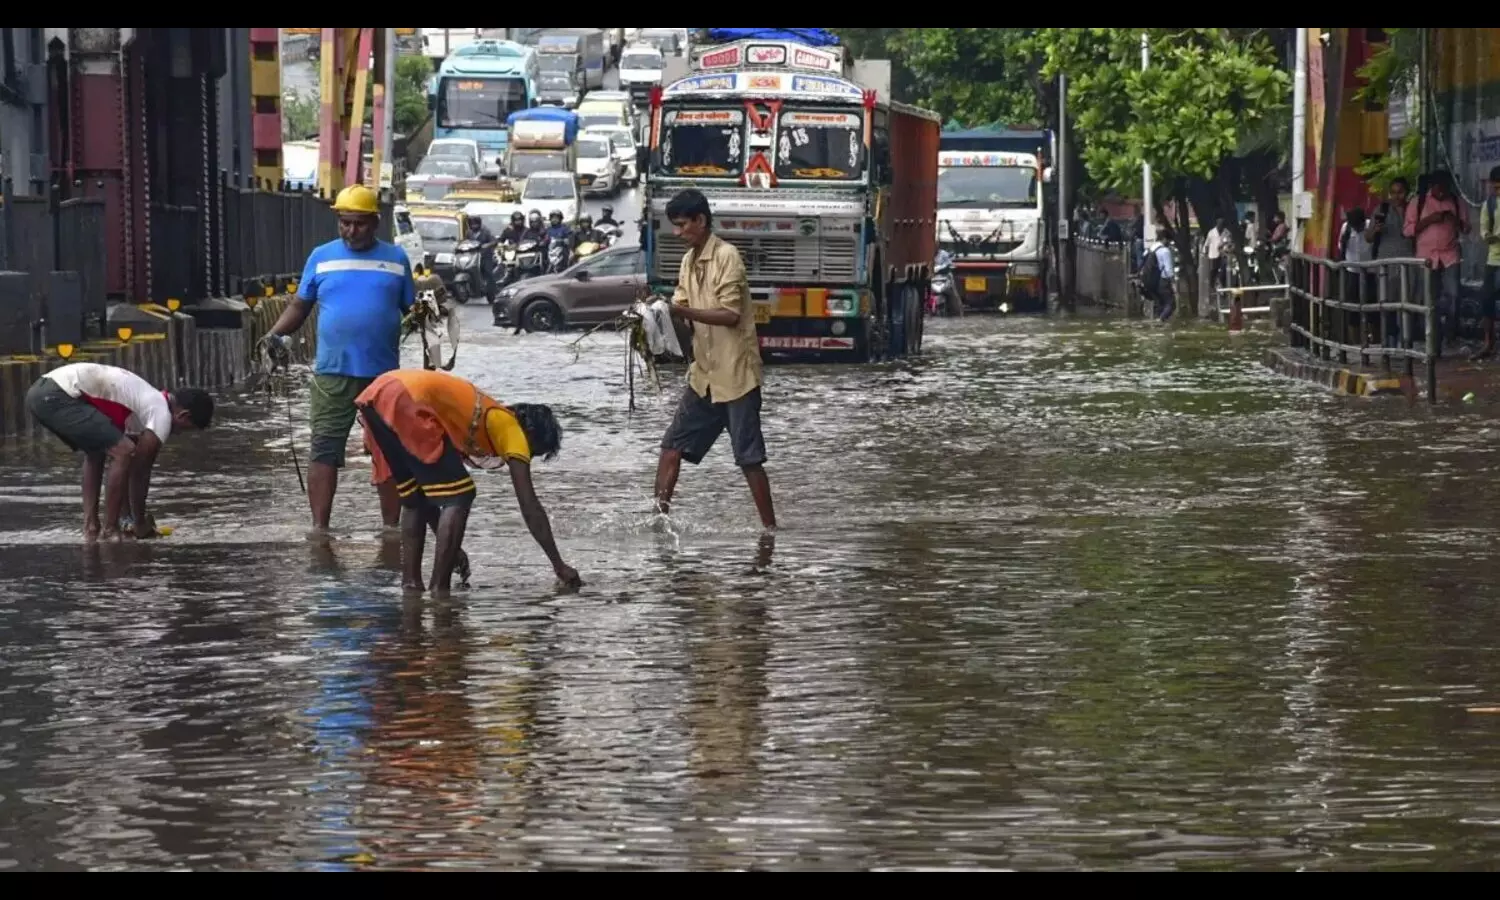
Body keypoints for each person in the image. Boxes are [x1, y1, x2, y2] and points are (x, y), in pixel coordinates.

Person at [262, 183, 416, 536]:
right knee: (325, 447)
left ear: (375, 222)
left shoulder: (396, 260)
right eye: (345, 223)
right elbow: (300, 305)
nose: (351, 230)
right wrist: (274, 336)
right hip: (333, 372)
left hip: (382, 376)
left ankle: (391, 528)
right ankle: (320, 528)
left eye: (359, 223)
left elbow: (413, 311)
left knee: (388, 451)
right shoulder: (321, 256)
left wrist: (431, 322)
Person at [354, 369, 581, 593]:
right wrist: (558, 565)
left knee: (415, 497)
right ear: (531, 433)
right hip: (408, 397)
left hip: (378, 393)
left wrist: (452, 549)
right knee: (462, 495)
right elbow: (529, 506)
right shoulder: (513, 429)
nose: (526, 458)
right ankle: (439, 589)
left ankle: (411, 585)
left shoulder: (479, 416)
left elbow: (429, 500)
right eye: (534, 452)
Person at [653, 188, 777, 531]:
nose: (677, 233)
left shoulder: (727, 257)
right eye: (675, 226)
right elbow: (680, 314)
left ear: (701, 221)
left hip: (736, 374)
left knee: (749, 459)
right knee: (670, 448)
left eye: (682, 226)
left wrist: (679, 310)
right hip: (704, 375)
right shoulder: (688, 262)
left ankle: (769, 530)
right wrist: (654, 317)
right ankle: (658, 521)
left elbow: (730, 315)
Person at [26, 362, 215, 541]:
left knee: (97, 452)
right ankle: (110, 530)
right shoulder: (161, 414)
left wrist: (128, 518)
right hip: (57, 395)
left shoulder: (141, 407)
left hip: (42, 392)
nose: (178, 433)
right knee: (124, 451)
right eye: (184, 428)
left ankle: (92, 527)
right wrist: (140, 522)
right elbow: (139, 474)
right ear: (183, 415)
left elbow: (126, 471)